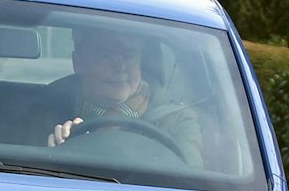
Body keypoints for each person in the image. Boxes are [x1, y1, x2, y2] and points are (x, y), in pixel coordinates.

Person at [46, 28, 202, 165]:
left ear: (141, 61)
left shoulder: (176, 120)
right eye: (106, 56)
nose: (120, 67)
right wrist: (57, 153)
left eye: (129, 56)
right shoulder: (46, 109)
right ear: (78, 62)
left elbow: (189, 186)